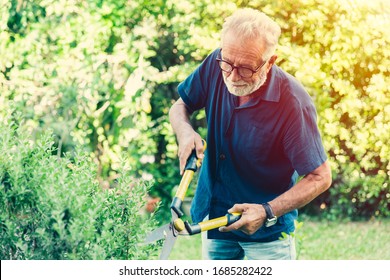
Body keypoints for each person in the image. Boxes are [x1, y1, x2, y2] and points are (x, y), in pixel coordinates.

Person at [169, 8, 332, 260]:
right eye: (228, 63)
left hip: (267, 235)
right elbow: (181, 105)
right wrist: (184, 131)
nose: (233, 76)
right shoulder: (216, 64)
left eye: (246, 68)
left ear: (270, 61)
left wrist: (267, 211)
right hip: (215, 220)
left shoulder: (293, 103)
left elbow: (320, 177)